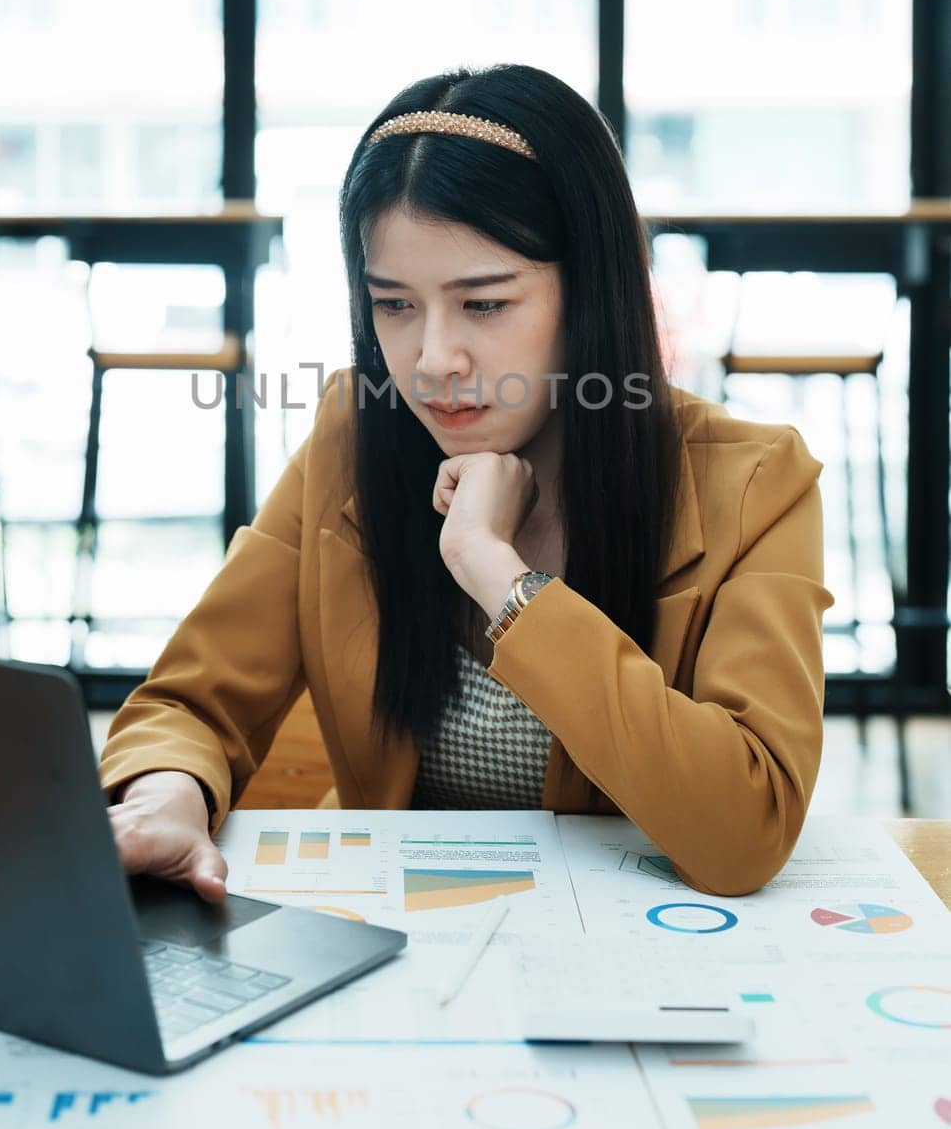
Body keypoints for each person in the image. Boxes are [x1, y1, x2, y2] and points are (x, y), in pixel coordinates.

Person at [100, 63, 835, 902]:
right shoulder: (351, 437)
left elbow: (744, 829)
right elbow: (192, 702)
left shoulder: (754, 482)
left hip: (635, 948)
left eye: (483, 305)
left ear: (590, 292)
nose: (431, 360)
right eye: (394, 306)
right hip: (404, 940)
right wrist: (167, 799)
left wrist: (498, 574)